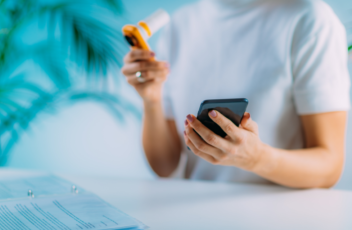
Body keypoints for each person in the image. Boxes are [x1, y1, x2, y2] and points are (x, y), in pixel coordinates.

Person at [121, 0, 350, 188]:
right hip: (196, 215)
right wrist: (151, 100)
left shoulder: (311, 19)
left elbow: (329, 166)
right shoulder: (180, 25)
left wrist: (257, 158)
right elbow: (165, 166)